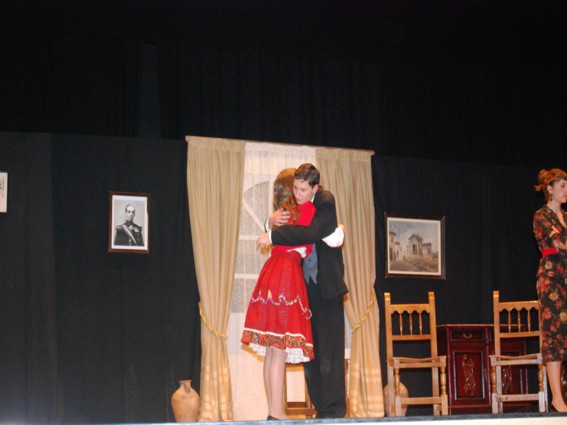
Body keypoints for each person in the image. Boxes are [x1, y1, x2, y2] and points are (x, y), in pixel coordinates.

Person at [241, 168, 343, 420]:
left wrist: (270, 226)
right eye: (295, 189)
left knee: (273, 348)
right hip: (286, 274)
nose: (298, 194)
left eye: (302, 189)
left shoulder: (290, 213)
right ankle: (276, 412)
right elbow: (313, 234)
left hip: (274, 271)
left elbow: (314, 232)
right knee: (278, 347)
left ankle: (273, 411)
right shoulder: (302, 211)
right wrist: (338, 230)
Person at [533, 168, 567, 412]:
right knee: (554, 335)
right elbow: (558, 243)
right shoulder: (541, 215)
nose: (566, 190)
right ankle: (557, 397)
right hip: (552, 279)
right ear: (550, 189)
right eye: (562, 185)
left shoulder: (565, 216)